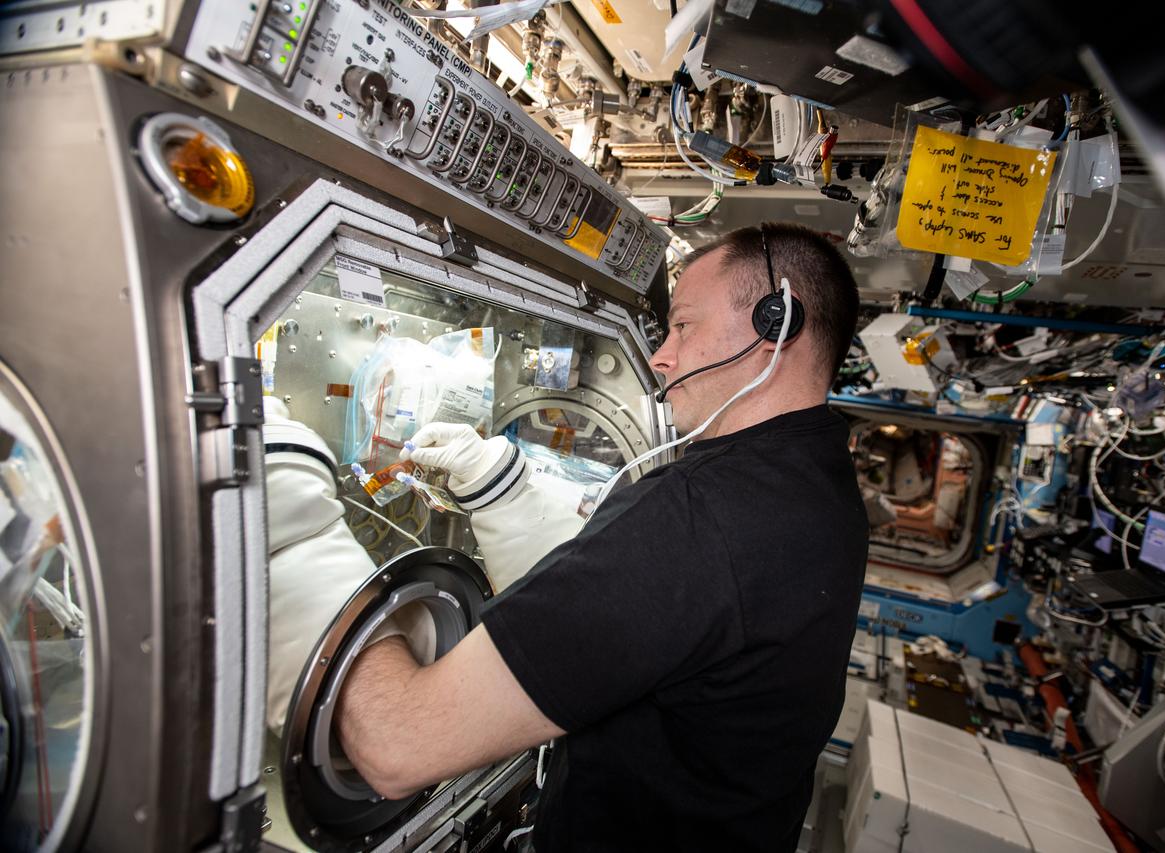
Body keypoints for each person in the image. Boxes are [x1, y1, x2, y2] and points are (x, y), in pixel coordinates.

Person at [334, 223, 869, 852]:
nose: (661, 357)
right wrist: (496, 483)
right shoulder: (821, 480)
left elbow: (398, 745)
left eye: (683, 326)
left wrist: (313, 556)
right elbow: (651, 615)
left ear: (774, 323)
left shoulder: (699, 513)